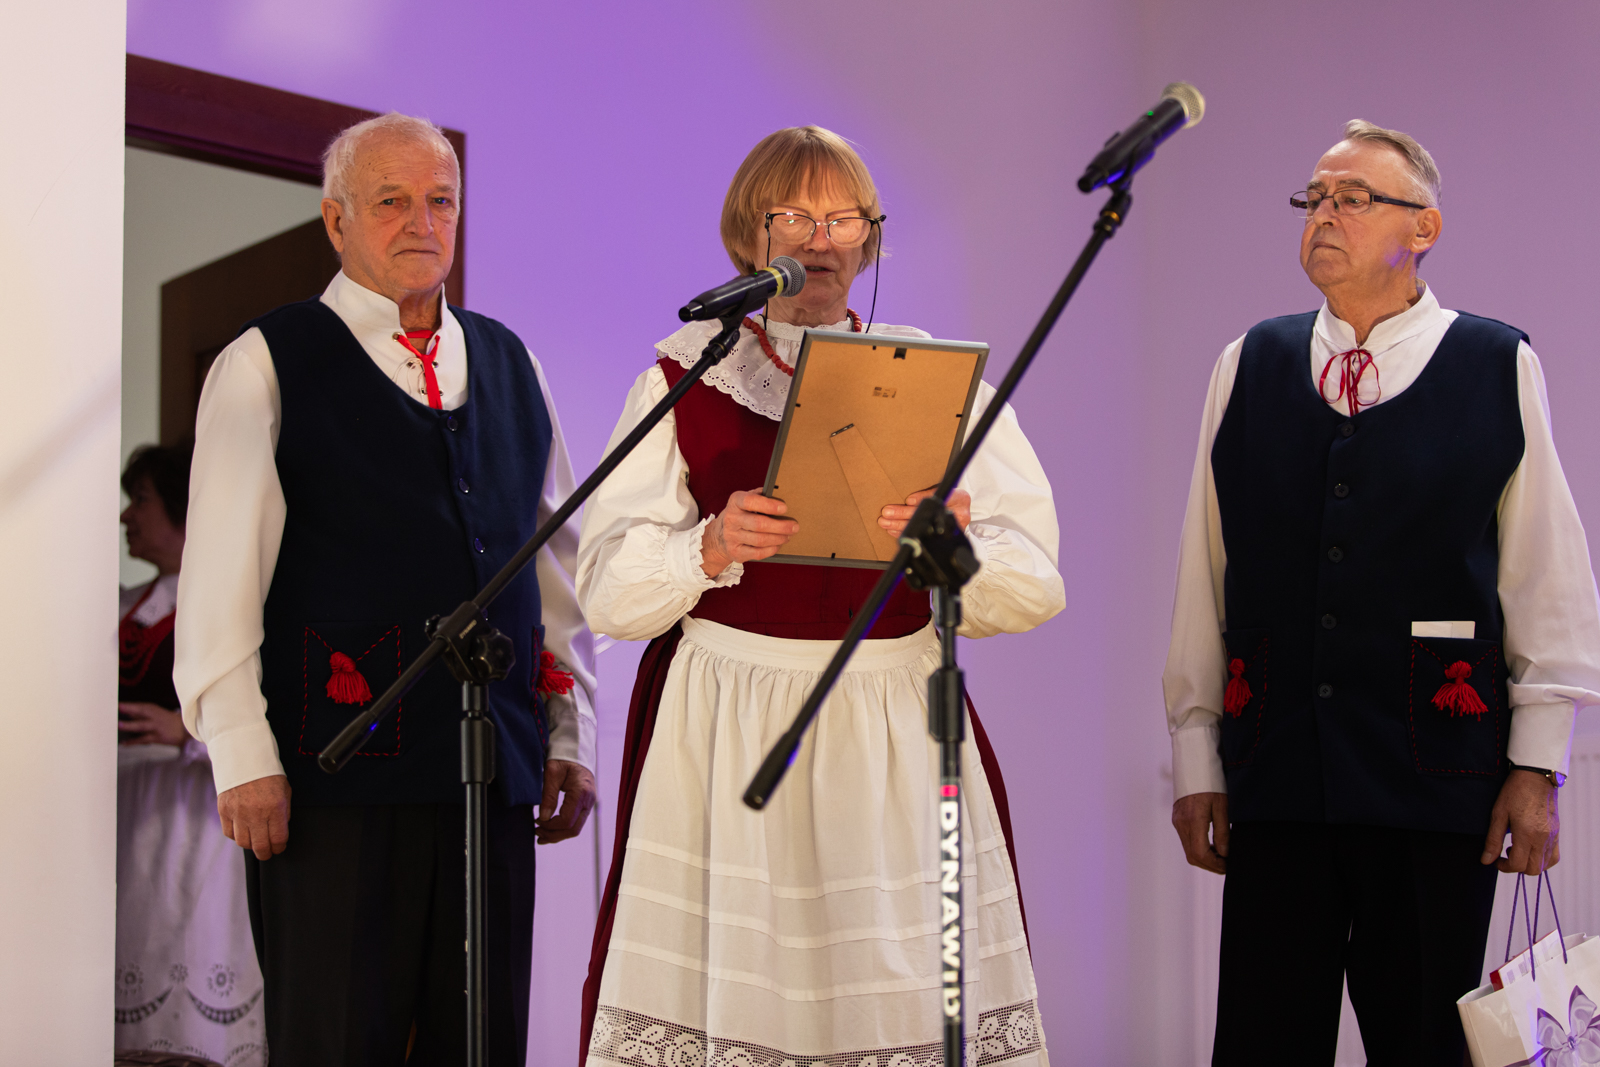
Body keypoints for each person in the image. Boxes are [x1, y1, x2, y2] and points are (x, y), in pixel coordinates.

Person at [576, 125, 1063, 1067]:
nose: (823, 240)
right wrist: (710, 546)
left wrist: (950, 547)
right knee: (738, 997)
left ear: (870, 238)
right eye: (795, 216)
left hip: (893, 723)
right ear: (749, 233)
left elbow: (1035, 581)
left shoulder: (938, 383)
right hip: (726, 725)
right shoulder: (683, 375)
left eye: (845, 219)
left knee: (897, 998)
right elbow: (607, 593)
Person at [1162, 119, 1600, 1065]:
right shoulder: (1249, 363)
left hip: (1434, 777)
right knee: (1262, 1042)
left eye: (1353, 198)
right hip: (1278, 770)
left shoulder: (1495, 363)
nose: (1324, 214)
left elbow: (1546, 574)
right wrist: (1197, 750)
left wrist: (1538, 766)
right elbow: (1207, 567)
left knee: (1425, 1040)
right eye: (1314, 198)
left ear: (1424, 227)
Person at [173, 112, 598, 1065]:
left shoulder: (513, 363)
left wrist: (570, 733)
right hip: (334, 776)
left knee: (483, 1041)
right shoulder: (264, 362)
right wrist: (239, 750)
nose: (422, 222)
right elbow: (219, 579)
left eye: (440, 201)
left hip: (493, 771)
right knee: (338, 1040)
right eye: (392, 201)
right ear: (336, 221)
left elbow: (554, 565)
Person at [116, 442, 266, 1066]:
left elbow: (263, 703)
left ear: (181, 506)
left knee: (194, 933)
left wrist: (187, 734)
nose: (127, 516)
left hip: (197, 808)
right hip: (130, 809)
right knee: (135, 934)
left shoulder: (228, 600)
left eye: (141, 500)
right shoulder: (126, 604)